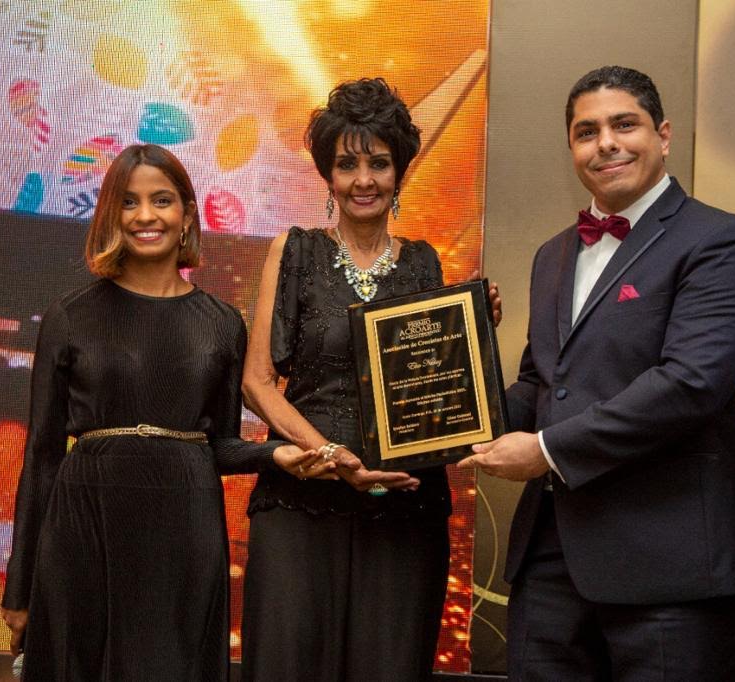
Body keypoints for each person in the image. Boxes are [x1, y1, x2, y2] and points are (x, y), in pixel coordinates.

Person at [459, 66, 735, 681]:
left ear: (663, 135)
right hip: (549, 564)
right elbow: (540, 385)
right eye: (586, 132)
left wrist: (545, 451)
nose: (605, 143)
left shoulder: (718, 240)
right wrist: (444, 417)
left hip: (671, 571)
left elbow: (690, 385)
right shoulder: (552, 255)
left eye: (624, 124)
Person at [0, 143, 316, 681]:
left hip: (185, 532)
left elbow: (219, 447)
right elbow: (42, 456)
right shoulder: (69, 316)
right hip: (85, 529)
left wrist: (274, 454)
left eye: (161, 200)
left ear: (187, 212)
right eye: (129, 202)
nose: (145, 215)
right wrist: (20, 584)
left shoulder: (222, 323)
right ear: (111, 214)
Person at [240, 77, 499, 681]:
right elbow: (256, 383)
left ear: (399, 171)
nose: (364, 180)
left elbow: (433, 387)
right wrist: (331, 456)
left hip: (403, 506)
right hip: (303, 501)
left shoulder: (425, 263)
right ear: (327, 175)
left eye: (378, 163)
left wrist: (473, 331)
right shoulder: (295, 251)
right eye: (347, 164)